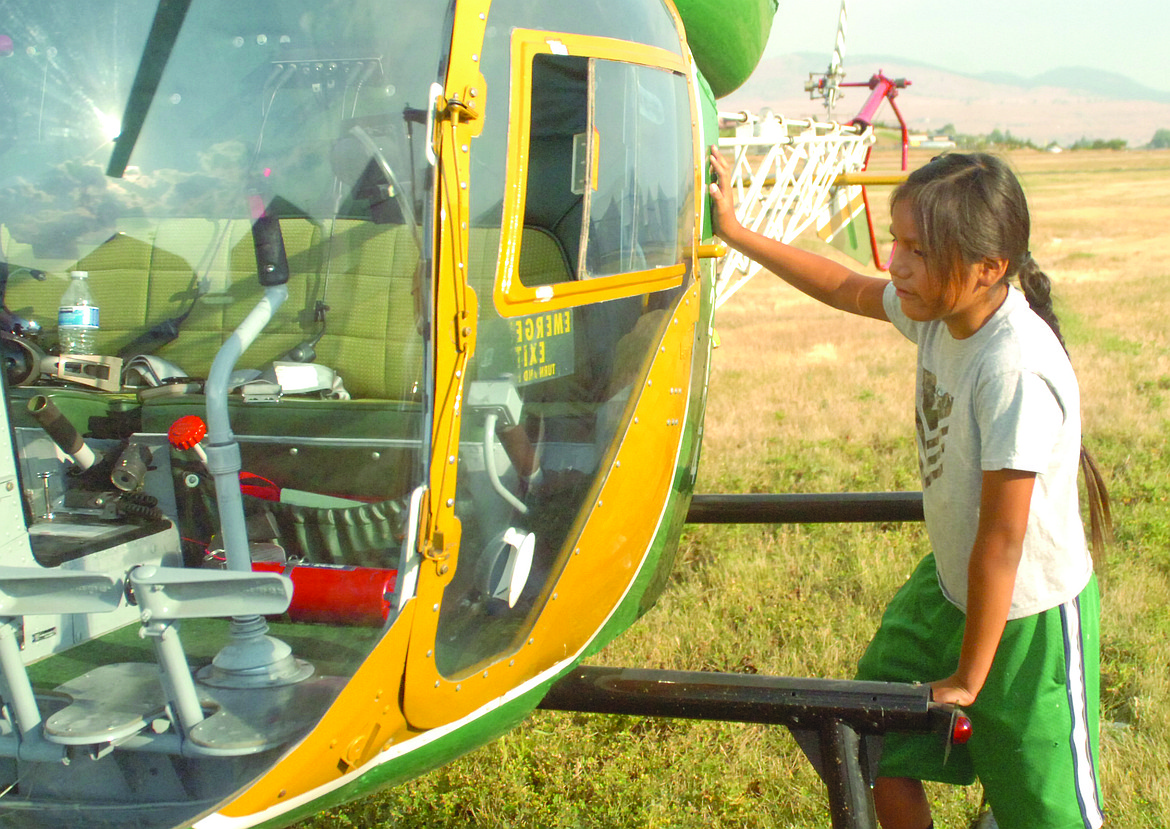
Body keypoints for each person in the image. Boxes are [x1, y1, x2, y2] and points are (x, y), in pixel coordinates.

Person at [708, 148, 1109, 829]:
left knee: (1046, 812)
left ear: (990, 268)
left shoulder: (1014, 367)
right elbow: (843, 286)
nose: (895, 264)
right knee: (866, 737)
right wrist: (737, 232)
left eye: (917, 250)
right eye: (896, 242)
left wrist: (970, 678)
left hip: (1025, 622)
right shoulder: (938, 310)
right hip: (951, 590)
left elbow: (1004, 541)